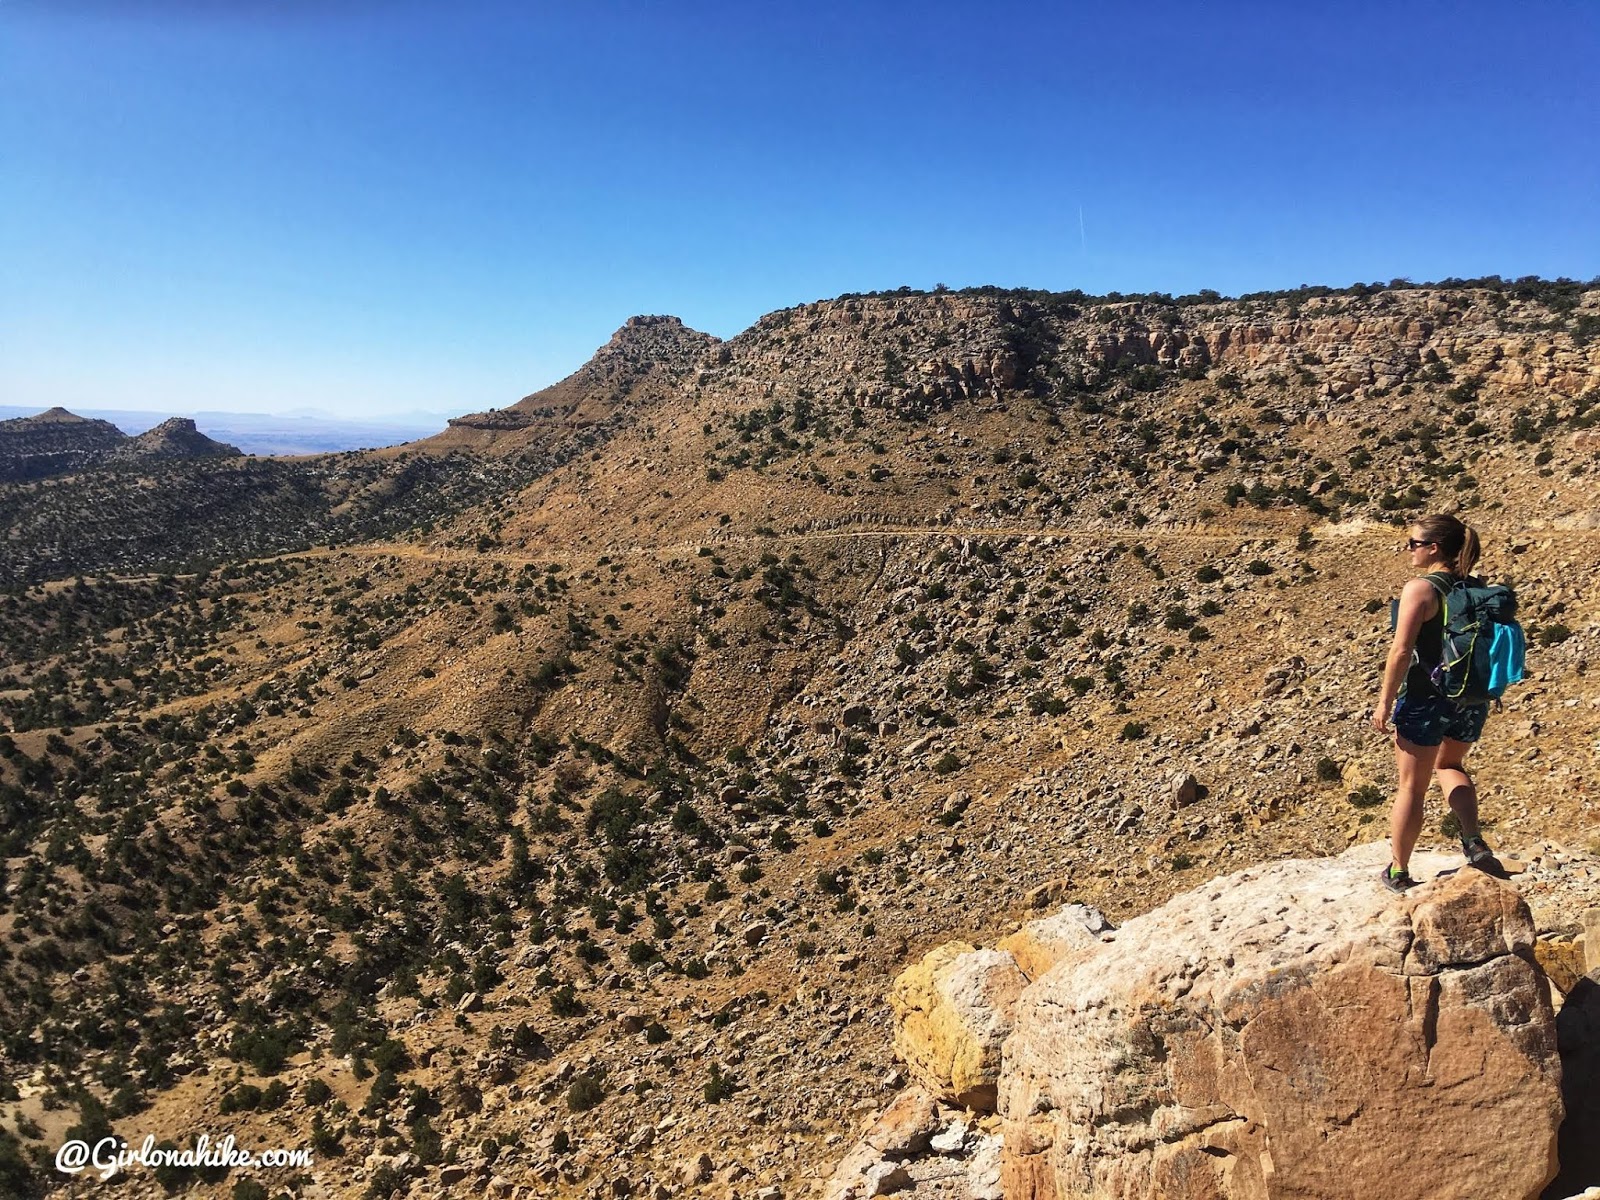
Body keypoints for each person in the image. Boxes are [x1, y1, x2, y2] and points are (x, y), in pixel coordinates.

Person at [1369, 514, 1503, 891]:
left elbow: (1401, 650)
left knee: (1411, 786)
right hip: (1470, 699)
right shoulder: (1473, 587)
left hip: (1426, 700)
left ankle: (1398, 870)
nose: (1408, 549)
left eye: (1413, 543)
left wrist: (1384, 702)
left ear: (1434, 548)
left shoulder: (1421, 589)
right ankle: (1473, 841)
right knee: (1451, 763)